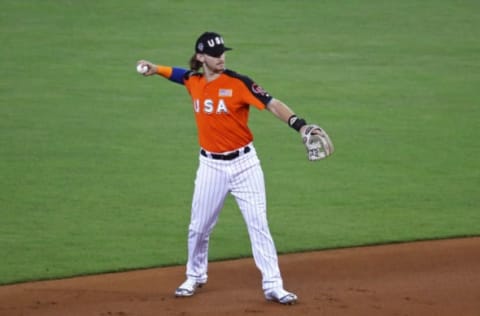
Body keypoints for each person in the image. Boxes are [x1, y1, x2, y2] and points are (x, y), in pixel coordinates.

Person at [137, 31, 314, 305]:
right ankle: (194, 275)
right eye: (215, 54)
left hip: (245, 165)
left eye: (223, 52)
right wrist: (156, 69)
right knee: (199, 227)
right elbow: (179, 74)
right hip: (210, 167)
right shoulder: (193, 81)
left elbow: (271, 103)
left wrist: (299, 124)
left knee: (258, 224)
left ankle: (273, 285)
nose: (221, 57)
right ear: (201, 57)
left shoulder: (238, 82)